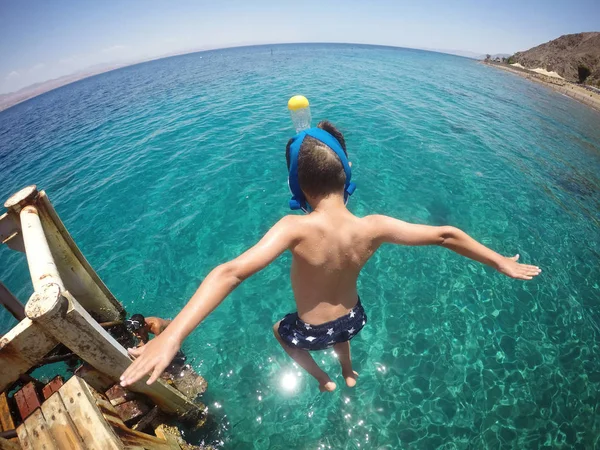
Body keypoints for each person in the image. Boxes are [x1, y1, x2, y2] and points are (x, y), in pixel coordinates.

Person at [120, 121, 541, 392]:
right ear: (347, 173)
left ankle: (323, 378)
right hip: (354, 317)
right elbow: (447, 235)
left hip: (310, 330)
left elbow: (230, 273)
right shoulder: (372, 226)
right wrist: (499, 261)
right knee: (342, 336)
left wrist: (172, 335)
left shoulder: (293, 228)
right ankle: (347, 371)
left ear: (297, 190)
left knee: (277, 329)